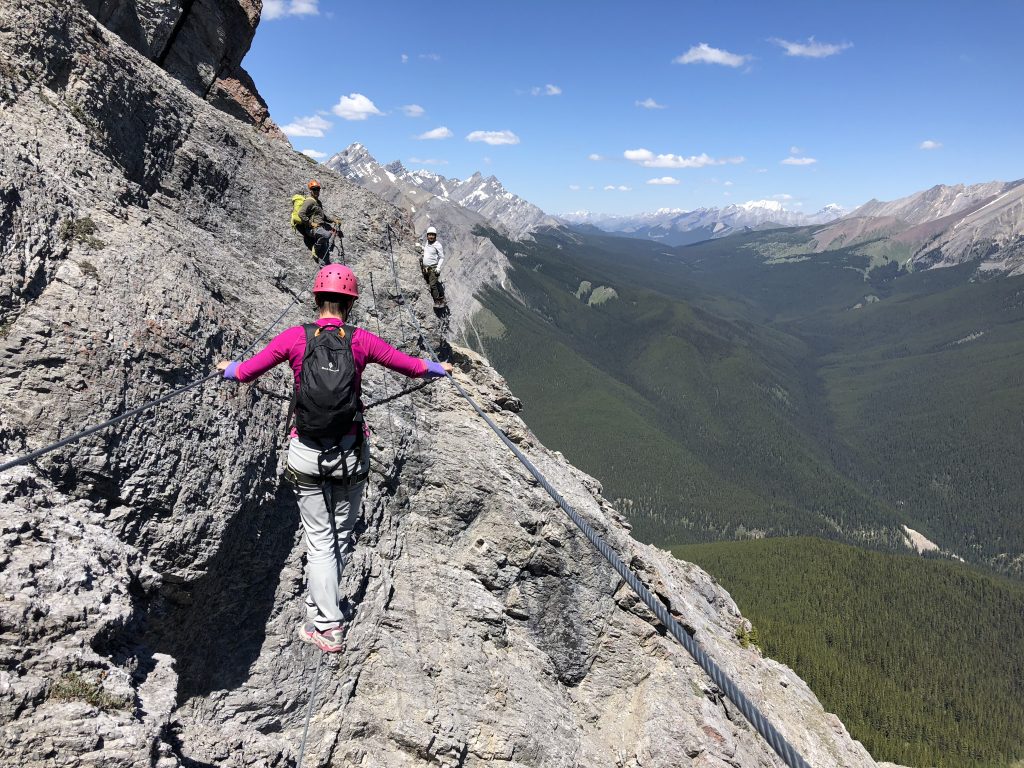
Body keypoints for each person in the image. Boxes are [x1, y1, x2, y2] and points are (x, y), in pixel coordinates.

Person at [216, 264, 452, 653]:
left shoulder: (295, 338)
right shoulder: (360, 341)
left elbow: (246, 373)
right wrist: (438, 368)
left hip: (306, 454)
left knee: (320, 540)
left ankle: (325, 621)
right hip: (350, 455)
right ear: (351, 304)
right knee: (339, 536)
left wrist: (228, 369)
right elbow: (409, 367)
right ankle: (324, 611)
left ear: (316, 298)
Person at [297, 179, 343, 264]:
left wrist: (334, 220)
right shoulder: (309, 201)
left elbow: (323, 216)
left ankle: (322, 262)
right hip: (312, 229)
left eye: (318, 189)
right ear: (310, 190)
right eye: (314, 189)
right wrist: (311, 223)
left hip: (320, 228)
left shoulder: (318, 202)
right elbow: (301, 213)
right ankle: (316, 247)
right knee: (327, 234)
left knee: (325, 255)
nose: (316, 191)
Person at [416, 226, 446, 308]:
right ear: (427, 236)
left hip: (433, 268)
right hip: (426, 268)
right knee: (429, 282)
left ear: (435, 236)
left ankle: (437, 301)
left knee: (432, 284)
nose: (431, 236)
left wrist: (438, 267)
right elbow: (427, 251)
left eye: (433, 235)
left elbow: (442, 257)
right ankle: (441, 297)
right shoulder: (427, 243)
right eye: (429, 235)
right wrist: (420, 247)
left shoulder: (438, 245)